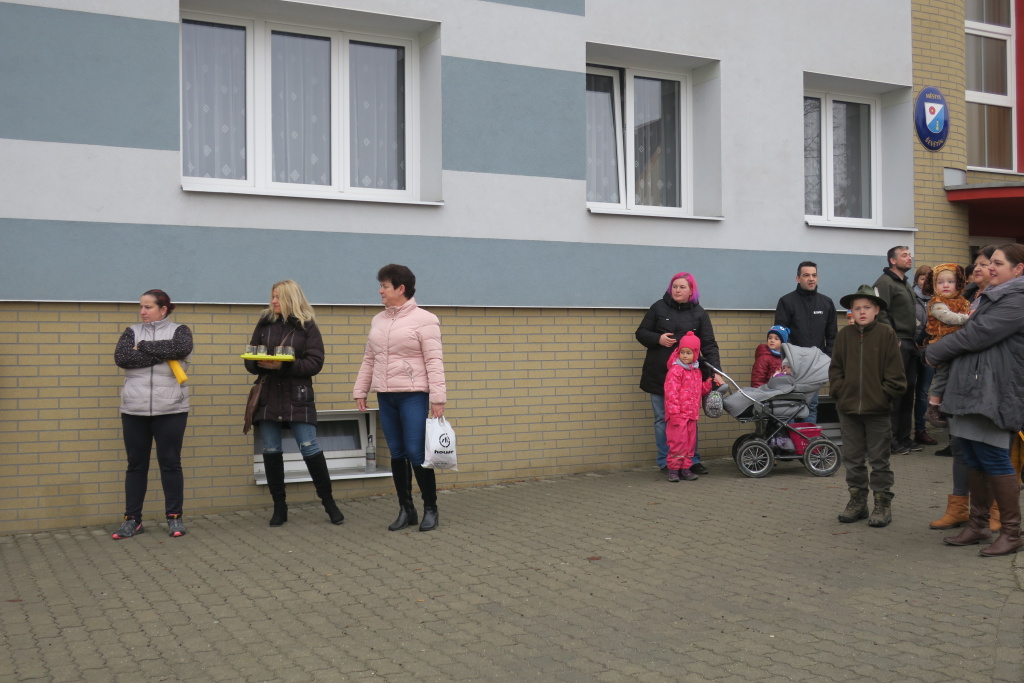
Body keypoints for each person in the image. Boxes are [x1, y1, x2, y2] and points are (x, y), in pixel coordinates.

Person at [927, 244, 1024, 556]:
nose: (990, 267)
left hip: (994, 391)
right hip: (973, 388)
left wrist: (934, 351)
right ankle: (978, 524)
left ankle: (1012, 532)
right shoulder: (989, 296)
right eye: (989, 262)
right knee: (972, 456)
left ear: (1018, 269)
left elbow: (976, 334)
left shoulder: (1017, 298)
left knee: (993, 457)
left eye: (998, 263)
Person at [354, 264, 447, 532]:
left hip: (413, 396)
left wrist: (438, 398)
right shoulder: (378, 320)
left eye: (384, 286)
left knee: (416, 453)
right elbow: (369, 358)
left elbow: (434, 360)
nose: (380, 290)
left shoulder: (425, 319)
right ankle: (407, 510)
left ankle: (431, 509)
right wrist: (361, 390)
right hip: (386, 396)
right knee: (396, 453)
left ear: (401, 288)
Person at [245, 280, 342, 527]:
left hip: (297, 395)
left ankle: (329, 503)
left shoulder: (307, 325)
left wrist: (284, 365)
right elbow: (250, 359)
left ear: (290, 298)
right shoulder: (264, 322)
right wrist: (258, 362)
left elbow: (315, 363)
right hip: (268, 395)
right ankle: (279, 507)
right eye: (272, 296)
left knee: (310, 447)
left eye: (278, 297)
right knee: (271, 450)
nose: (273, 301)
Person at [112, 289, 192, 540]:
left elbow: (181, 347)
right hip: (134, 409)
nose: (142, 312)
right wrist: (163, 354)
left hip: (171, 409)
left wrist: (144, 347)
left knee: (170, 463)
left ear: (163, 309)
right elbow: (122, 357)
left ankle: (175, 517)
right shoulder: (131, 331)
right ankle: (132, 520)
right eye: (141, 307)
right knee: (136, 466)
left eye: (148, 307)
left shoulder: (180, 331)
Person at [928, 247, 998, 528]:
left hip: (989, 383)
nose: (978, 268)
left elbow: (975, 336)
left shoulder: (1004, 300)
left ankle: (997, 511)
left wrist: (937, 351)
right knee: (960, 446)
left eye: (987, 263)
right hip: (960, 380)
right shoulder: (967, 298)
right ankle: (959, 507)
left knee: (993, 450)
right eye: (977, 264)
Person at [830, 285, 907, 528]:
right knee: (852, 459)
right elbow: (836, 369)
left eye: (867, 307)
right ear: (851, 312)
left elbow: (896, 374)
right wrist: (840, 392)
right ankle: (857, 501)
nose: (862, 312)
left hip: (878, 410)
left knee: (879, 460)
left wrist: (883, 396)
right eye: (857, 308)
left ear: (876, 310)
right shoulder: (844, 335)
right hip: (849, 409)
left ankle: (882, 503)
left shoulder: (886, 334)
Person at [636, 272, 722, 475]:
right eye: (674, 286)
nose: (677, 290)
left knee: (689, 420)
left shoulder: (699, 313)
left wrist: (716, 371)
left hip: (689, 380)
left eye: (682, 287)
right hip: (659, 374)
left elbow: (709, 345)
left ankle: (691, 461)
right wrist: (658, 339)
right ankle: (666, 461)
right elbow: (641, 333)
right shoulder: (658, 307)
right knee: (662, 419)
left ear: (691, 290)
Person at [774, 262, 837, 423]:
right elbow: (781, 335)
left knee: (811, 406)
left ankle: (807, 439)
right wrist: (788, 361)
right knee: (789, 407)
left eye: (814, 275)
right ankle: (790, 440)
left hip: (815, 367)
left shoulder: (826, 303)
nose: (811, 279)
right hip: (792, 367)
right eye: (806, 275)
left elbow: (832, 336)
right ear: (798, 278)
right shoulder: (786, 302)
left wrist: (827, 360)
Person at [873, 246, 918, 455]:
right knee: (895, 392)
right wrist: (893, 337)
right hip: (898, 343)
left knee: (909, 392)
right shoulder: (885, 282)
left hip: (911, 343)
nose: (909, 258)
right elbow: (880, 312)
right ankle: (890, 441)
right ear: (892, 260)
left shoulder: (905, 283)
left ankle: (904, 437)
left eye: (909, 255)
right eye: (904, 255)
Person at [921, 264, 970, 427]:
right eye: (940, 282)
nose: (946, 285)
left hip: (957, 344)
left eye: (951, 281)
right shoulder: (937, 303)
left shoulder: (963, 301)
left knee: (952, 377)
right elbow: (948, 317)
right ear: (934, 285)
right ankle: (933, 407)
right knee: (942, 377)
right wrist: (967, 318)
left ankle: (945, 406)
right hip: (942, 343)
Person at [664, 333, 714, 482]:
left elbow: (698, 390)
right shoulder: (676, 371)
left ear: (696, 354)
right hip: (678, 414)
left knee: (689, 443)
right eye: (682, 352)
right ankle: (673, 469)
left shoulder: (696, 371)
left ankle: (685, 468)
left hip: (691, 414)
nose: (685, 356)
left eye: (689, 353)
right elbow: (671, 392)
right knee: (677, 442)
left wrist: (706, 385)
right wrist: (674, 412)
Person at [911, 265, 937, 446]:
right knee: (906, 391)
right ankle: (901, 432)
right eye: (922, 278)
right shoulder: (909, 297)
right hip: (912, 349)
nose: (925, 282)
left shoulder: (938, 300)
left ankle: (920, 430)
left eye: (929, 279)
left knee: (922, 393)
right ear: (916, 280)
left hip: (930, 351)